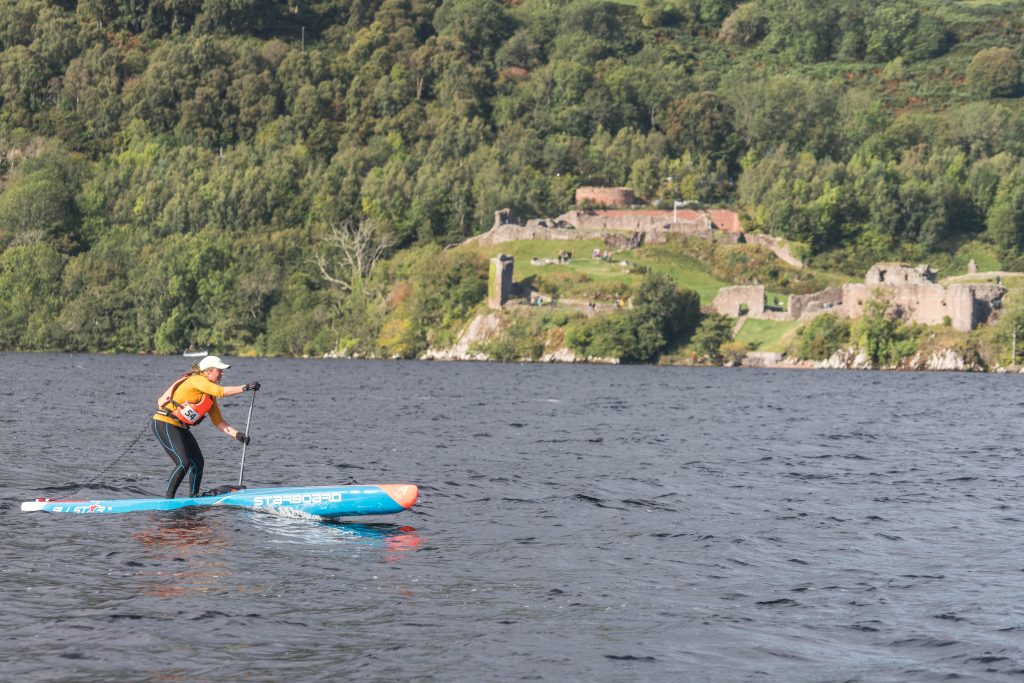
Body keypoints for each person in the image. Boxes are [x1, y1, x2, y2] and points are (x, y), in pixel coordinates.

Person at [152, 355, 260, 498]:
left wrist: (237, 435)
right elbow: (221, 391)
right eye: (219, 370)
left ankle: (194, 496)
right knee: (183, 462)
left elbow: (218, 421)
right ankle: (168, 499)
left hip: (180, 427)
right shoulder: (197, 380)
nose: (222, 373)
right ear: (207, 371)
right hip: (164, 423)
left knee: (198, 463)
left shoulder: (209, 396)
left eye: (222, 370)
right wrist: (245, 387)